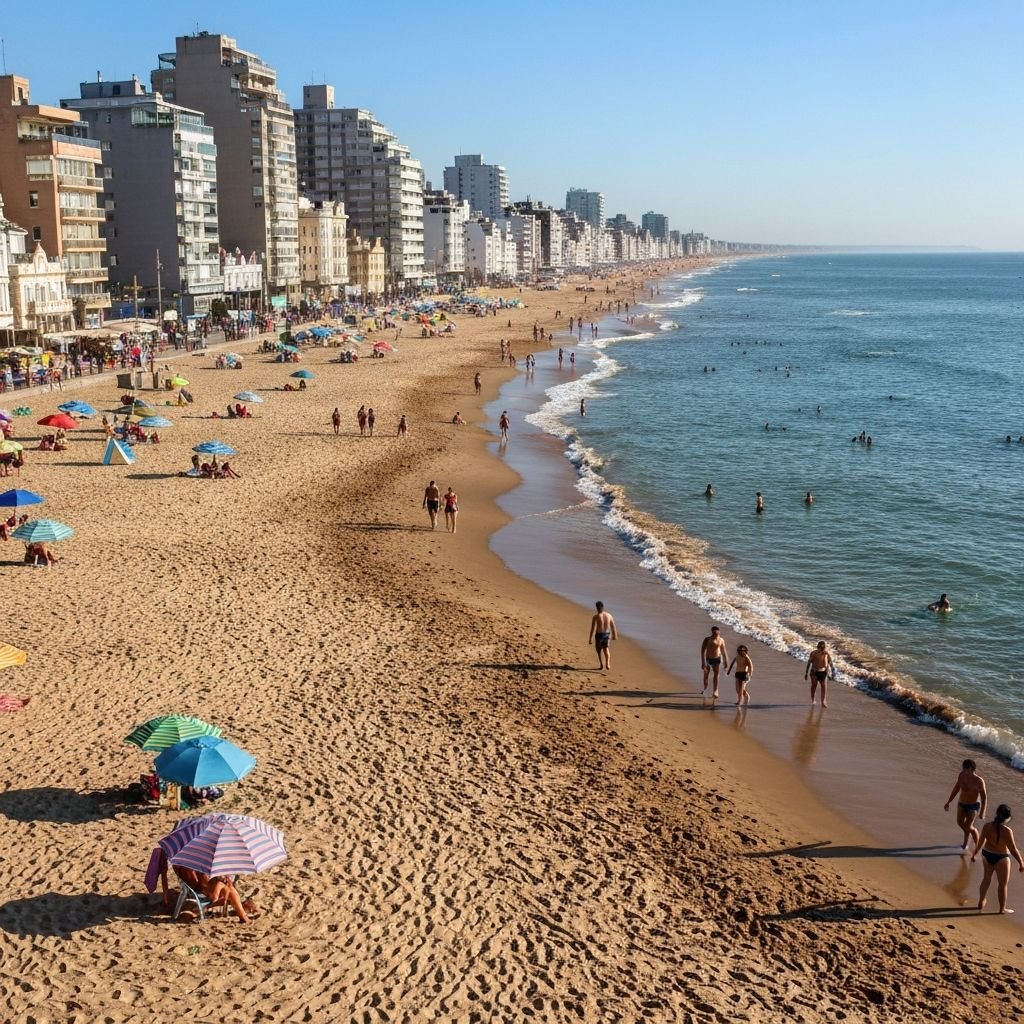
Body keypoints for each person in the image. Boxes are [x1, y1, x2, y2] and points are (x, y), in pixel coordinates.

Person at [971, 805, 1024, 914]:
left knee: (986, 879)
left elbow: (980, 842)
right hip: (1001, 858)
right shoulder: (1007, 831)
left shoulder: (987, 826)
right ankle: (1002, 908)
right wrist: (1021, 862)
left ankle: (981, 902)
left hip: (987, 854)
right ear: (1008, 817)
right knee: (1003, 884)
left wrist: (974, 854)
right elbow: (1013, 849)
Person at [945, 759, 988, 852]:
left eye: (966, 769)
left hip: (973, 806)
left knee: (968, 827)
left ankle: (975, 846)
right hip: (962, 803)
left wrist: (982, 812)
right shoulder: (961, 775)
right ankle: (969, 838)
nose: (964, 770)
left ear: (972, 769)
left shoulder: (979, 781)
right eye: (963, 768)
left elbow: (984, 798)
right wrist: (949, 801)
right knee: (960, 823)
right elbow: (956, 788)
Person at [588, 601, 618, 670]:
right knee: (606, 649)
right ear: (603, 607)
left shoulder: (596, 616)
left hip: (599, 635)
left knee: (599, 650)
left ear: (596, 608)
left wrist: (590, 638)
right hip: (607, 634)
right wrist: (614, 635)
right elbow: (613, 626)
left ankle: (601, 665)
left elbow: (592, 628)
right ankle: (607, 663)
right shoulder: (609, 615)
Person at [700, 626, 729, 697]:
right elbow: (702, 651)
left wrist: (726, 662)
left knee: (716, 675)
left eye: (717, 633)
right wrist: (703, 662)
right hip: (708, 659)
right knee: (706, 674)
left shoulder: (721, 640)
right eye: (714, 633)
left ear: (719, 632)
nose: (715, 634)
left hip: (717, 659)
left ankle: (715, 691)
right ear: (712, 632)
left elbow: (724, 651)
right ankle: (705, 688)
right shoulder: (707, 639)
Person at [805, 640, 835, 707]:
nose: (822, 650)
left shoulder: (826, 654)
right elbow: (809, 663)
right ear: (817, 647)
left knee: (824, 687)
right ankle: (813, 700)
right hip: (814, 672)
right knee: (814, 686)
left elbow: (831, 663)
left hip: (823, 673)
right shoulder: (813, 653)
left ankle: (823, 701)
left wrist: (833, 672)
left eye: (823, 648)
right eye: (820, 648)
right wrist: (806, 673)